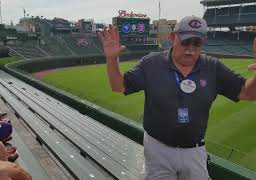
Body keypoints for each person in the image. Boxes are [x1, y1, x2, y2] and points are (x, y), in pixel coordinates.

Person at [98, 16, 256, 180]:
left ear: (204, 41)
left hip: (195, 150)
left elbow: (248, 93)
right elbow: (119, 86)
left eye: (197, 44)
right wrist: (111, 59)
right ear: (173, 37)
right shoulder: (152, 63)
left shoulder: (213, 67)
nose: (191, 49)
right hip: (158, 149)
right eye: (186, 42)